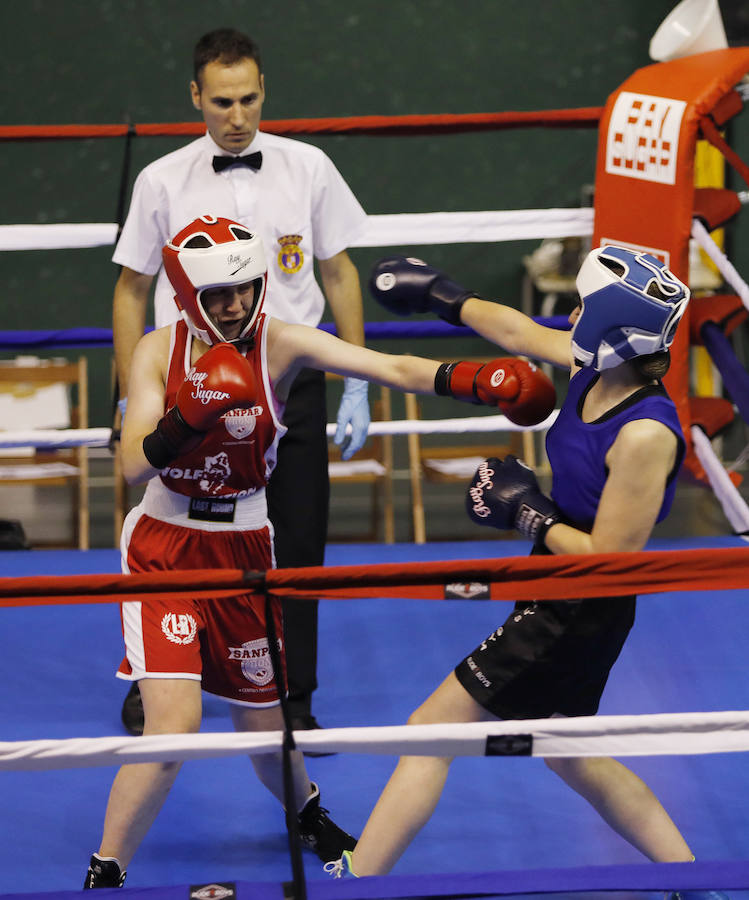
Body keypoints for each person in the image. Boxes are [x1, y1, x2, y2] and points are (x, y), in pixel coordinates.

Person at [83, 214, 557, 888]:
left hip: (245, 543)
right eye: (218, 296)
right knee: (175, 724)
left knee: (262, 715)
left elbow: (387, 365)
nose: (235, 305)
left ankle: (306, 812)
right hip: (165, 544)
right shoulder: (158, 352)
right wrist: (189, 415)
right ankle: (107, 868)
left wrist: (475, 381)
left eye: (244, 290)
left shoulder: (280, 343)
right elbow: (131, 465)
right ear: (189, 296)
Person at [326, 246, 726, 897]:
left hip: (579, 605)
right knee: (571, 753)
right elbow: (515, 329)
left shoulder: (645, 434)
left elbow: (610, 562)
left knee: (431, 730)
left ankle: (356, 880)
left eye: (584, 307)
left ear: (611, 325)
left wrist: (527, 513)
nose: (570, 314)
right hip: (555, 585)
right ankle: (695, 880)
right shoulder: (592, 367)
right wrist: (441, 295)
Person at [113, 28, 371, 738]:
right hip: (187, 385)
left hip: (290, 379)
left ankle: (292, 697)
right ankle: (154, 680)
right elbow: (131, 290)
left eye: (249, 99)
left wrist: (356, 380)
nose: (237, 115)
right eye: (222, 101)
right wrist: (130, 389)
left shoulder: (308, 166)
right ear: (195, 96)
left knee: (298, 541)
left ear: (264, 93)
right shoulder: (162, 179)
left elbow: (338, 270)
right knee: (168, 530)